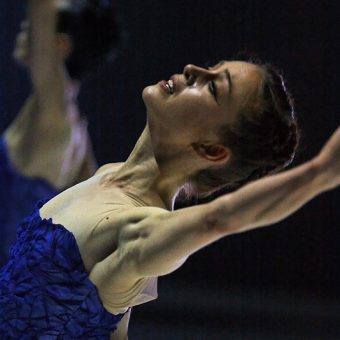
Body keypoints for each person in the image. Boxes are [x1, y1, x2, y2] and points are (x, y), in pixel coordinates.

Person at [0, 59, 339, 338]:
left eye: (212, 87)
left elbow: (218, 218)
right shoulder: (109, 174)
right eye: (211, 68)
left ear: (211, 149)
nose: (193, 70)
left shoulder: (141, 227)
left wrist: (320, 173)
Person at [0, 0, 120, 265]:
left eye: (31, 26)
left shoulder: (55, 114)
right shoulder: (76, 129)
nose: (25, 27)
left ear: (60, 45)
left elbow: (41, 6)